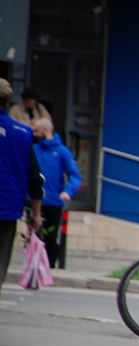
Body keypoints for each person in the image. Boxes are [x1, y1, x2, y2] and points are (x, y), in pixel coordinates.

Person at [0, 78, 44, 299]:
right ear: (8, 102)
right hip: (7, 212)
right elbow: (35, 180)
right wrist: (35, 214)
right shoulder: (22, 133)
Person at [31, 119, 81, 268]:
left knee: (50, 238)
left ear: (45, 131)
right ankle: (34, 266)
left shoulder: (62, 152)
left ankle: (49, 266)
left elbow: (75, 176)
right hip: (35, 201)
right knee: (33, 236)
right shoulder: (33, 149)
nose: (33, 134)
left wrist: (68, 192)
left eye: (36, 131)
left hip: (53, 202)